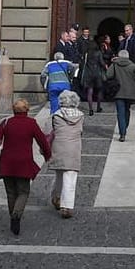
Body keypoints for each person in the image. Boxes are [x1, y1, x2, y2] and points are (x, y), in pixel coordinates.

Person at [0, 98, 51, 236]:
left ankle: (13, 214)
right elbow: (42, 140)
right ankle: (16, 215)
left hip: (7, 162)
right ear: (27, 110)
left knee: (11, 192)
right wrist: (47, 155)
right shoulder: (31, 123)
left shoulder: (7, 122)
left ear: (14, 110)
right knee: (23, 191)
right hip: (23, 162)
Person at [49, 90, 86, 218]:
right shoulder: (81, 116)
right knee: (70, 177)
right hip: (74, 148)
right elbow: (80, 131)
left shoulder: (56, 115)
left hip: (59, 147)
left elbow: (51, 131)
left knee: (59, 175)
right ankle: (67, 207)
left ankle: (56, 197)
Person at [106, 50, 135, 142]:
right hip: (130, 92)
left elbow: (108, 75)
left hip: (118, 92)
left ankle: (122, 133)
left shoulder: (115, 65)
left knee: (120, 113)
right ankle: (125, 127)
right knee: (127, 110)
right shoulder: (133, 66)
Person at [80, 38, 108, 115]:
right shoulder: (98, 53)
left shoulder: (87, 53)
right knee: (99, 90)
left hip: (88, 73)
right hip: (97, 73)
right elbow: (101, 63)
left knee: (90, 91)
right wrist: (105, 66)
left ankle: (90, 109)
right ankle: (98, 107)